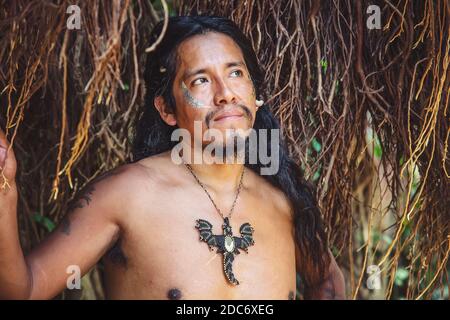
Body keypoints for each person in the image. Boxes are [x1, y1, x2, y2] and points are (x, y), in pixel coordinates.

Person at [0, 15, 344, 300]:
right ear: (166, 109)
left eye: (236, 73)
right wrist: (4, 191)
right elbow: (23, 290)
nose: (225, 94)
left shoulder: (283, 202)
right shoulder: (127, 196)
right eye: (200, 81)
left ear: (256, 95)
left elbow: (327, 282)